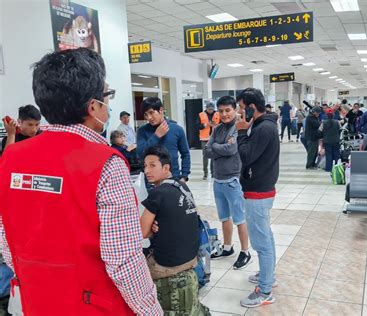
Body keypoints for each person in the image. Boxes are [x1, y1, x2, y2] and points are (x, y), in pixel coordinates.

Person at [0, 48, 162, 315]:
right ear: (92, 106)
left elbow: (6, 237)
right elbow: (123, 260)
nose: (108, 105)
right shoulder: (106, 164)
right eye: (106, 96)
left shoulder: (11, 157)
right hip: (94, 305)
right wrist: (151, 310)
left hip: (38, 300)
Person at [139, 146, 210, 315]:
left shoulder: (157, 193)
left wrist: (151, 229)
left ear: (166, 168)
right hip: (191, 258)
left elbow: (141, 232)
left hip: (167, 264)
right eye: (145, 166)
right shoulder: (183, 187)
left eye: (152, 165)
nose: (147, 170)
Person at [235, 88, 279, 308]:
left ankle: (265, 290)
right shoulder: (264, 125)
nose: (240, 113)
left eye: (243, 108)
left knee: (261, 242)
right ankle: (268, 276)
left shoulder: (264, 128)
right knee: (266, 236)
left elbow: (246, 156)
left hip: (258, 191)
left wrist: (242, 133)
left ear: (252, 107)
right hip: (260, 188)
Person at [203, 96, 251, 269]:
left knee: (239, 219)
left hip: (233, 179)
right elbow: (206, 151)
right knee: (224, 218)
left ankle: (245, 251)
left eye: (227, 110)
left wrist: (215, 147)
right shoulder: (216, 130)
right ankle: (228, 248)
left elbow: (232, 149)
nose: (224, 114)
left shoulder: (237, 128)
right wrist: (219, 147)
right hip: (218, 179)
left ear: (235, 110)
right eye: (221, 111)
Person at [137, 97, 191, 182]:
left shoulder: (177, 129)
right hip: (151, 181)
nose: (149, 117)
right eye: (146, 114)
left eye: (151, 113)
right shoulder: (142, 131)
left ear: (161, 110)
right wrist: (156, 136)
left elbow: (185, 154)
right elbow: (140, 154)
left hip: (173, 178)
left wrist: (184, 176)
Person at [197, 103, 220, 180]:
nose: (210, 111)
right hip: (204, 138)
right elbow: (197, 126)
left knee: (214, 155)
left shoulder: (218, 114)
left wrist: (216, 125)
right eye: (209, 109)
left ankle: (213, 173)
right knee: (205, 156)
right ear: (206, 108)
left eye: (212, 109)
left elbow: (222, 125)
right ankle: (205, 173)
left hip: (215, 138)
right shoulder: (201, 115)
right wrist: (205, 125)